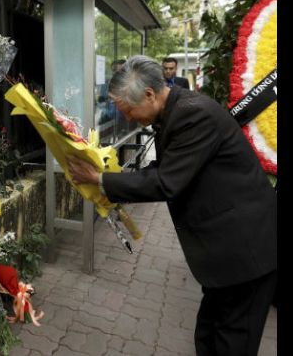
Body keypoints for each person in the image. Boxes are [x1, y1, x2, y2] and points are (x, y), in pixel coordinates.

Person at [67, 56, 276, 356]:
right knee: (209, 332)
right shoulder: (175, 111)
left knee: (233, 340)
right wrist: (110, 181)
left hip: (246, 253)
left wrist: (101, 180)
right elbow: (163, 172)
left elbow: (166, 181)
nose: (128, 119)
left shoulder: (194, 115)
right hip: (226, 255)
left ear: (149, 94)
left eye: (128, 110)